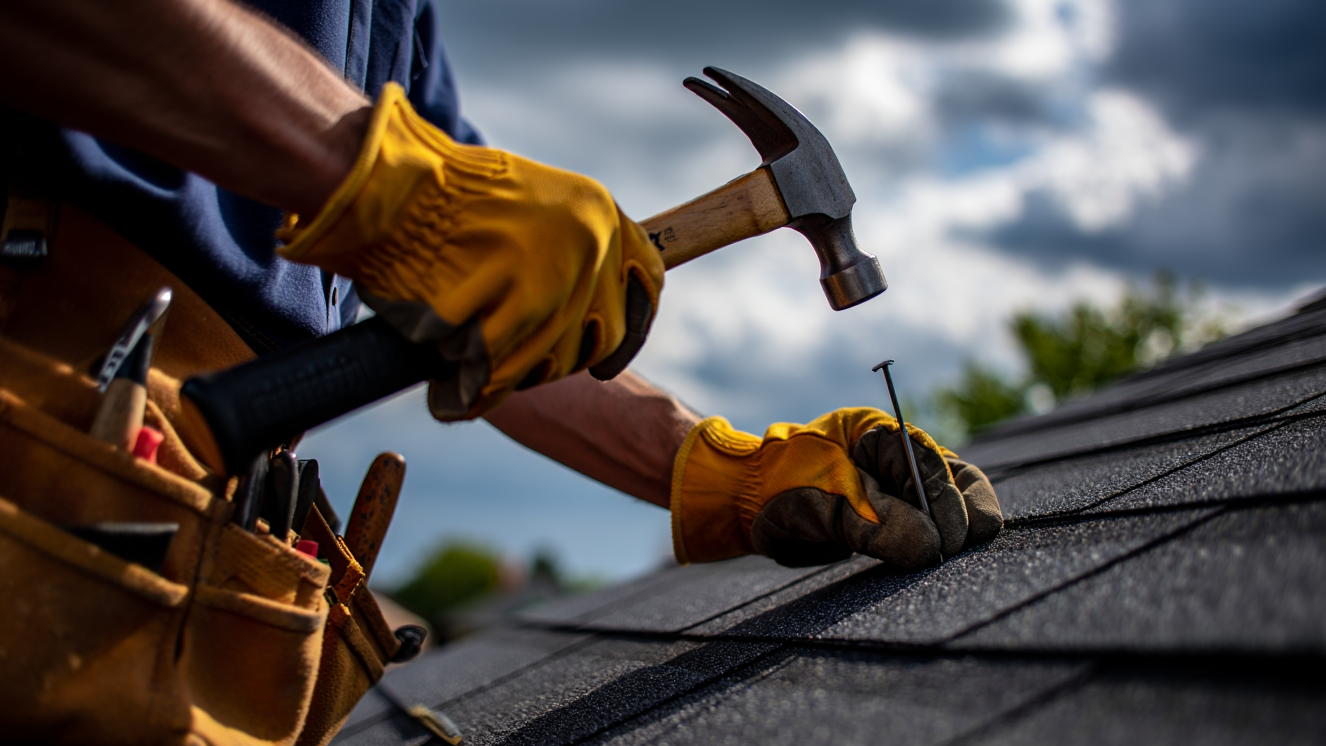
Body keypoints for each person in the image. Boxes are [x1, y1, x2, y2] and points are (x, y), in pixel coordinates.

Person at [0, 0, 999, 734]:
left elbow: (498, 322)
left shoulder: (393, 22)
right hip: (46, 415)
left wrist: (721, 467)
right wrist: (393, 180)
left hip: (190, 529)